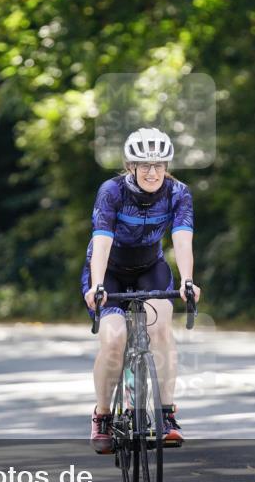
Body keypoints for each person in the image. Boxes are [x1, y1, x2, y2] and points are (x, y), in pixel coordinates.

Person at [81, 128, 201, 454]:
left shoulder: (178, 193)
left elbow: (182, 238)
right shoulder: (112, 191)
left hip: (151, 269)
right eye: (144, 165)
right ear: (130, 165)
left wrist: (187, 280)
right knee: (115, 338)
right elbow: (102, 239)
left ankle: (166, 415)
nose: (152, 172)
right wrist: (97, 285)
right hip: (109, 271)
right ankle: (103, 415)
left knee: (162, 329)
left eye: (159, 164)